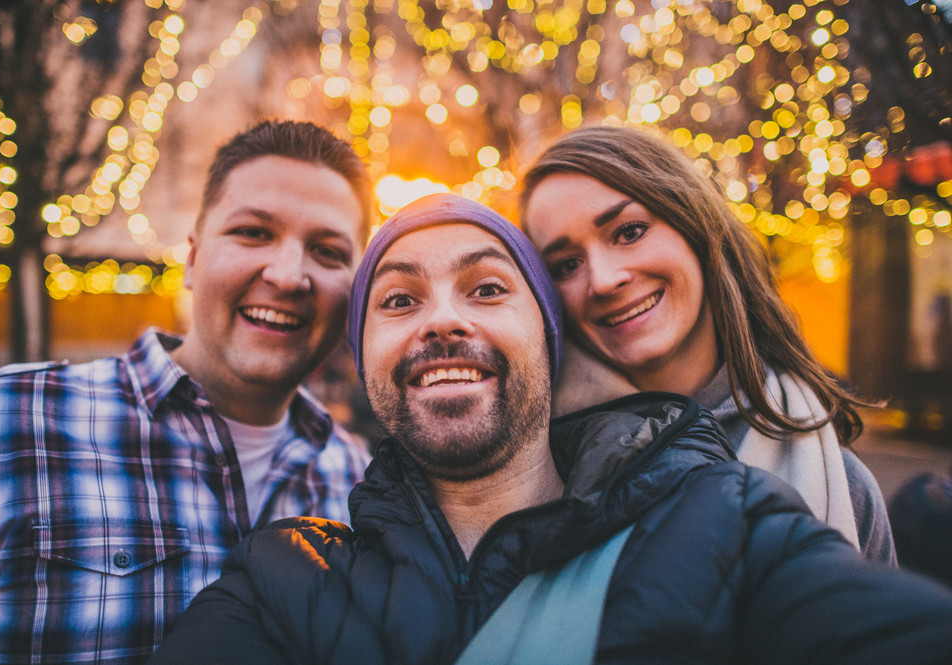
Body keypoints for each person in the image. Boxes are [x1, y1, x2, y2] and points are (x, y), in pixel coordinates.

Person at [148, 193, 952, 665]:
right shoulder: (282, 580)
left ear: (549, 342)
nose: (443, 321)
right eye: (398, 300)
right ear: (365, 364)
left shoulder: (731, 526)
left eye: (488, 288)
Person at [0, 119, 373, 664]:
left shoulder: (359, 486)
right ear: (193, 258)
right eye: (253, 232)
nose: (289, 275)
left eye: (328, 251)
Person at [520, 124, 895, 563]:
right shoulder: (533, 471)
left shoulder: (844, 487)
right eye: (566, 264)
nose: (603, 280)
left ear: (695, 225)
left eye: (629, 231)